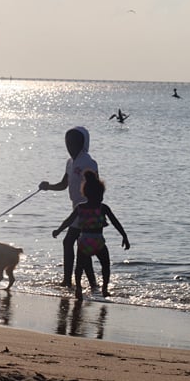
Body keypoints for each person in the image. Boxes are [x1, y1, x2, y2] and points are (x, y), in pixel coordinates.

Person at [52, 170, 130, 300]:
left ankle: (78, 289)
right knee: (105, 264)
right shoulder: (103, 207)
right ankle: (105, 288)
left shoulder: (80, 207)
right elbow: (115, 222)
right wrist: (124, 236)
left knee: (79, 267)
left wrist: (59, 230)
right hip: (98, 242)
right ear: (100, 195)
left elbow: (69, 221)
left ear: (85, 193)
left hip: (84, 241)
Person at [39, 127, 99, 289]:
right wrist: (48, 187)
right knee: (81, 247)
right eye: (68, 142)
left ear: (83, 143)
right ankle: (92, 283)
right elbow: (64, 184)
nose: (70, 145)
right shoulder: (70, 162)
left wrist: (92, 208)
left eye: (74, 142)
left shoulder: (88, 162)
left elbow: (96, 187)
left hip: (87, 210)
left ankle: (68, 281)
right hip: (76, 209)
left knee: (69, 242)